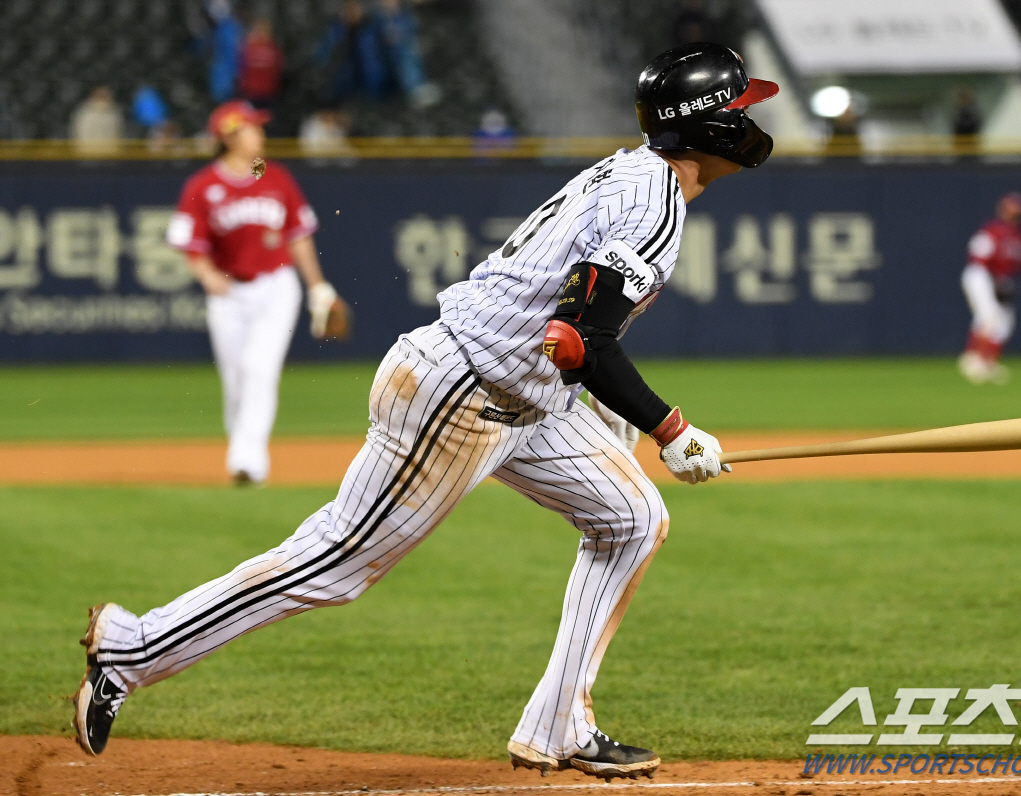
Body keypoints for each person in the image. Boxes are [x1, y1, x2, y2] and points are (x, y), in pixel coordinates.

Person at [73, 43, 778, 782]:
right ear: (706, 126)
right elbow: (574, 336)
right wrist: (670, 428)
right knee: (335, 561)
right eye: (738, 105)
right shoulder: (653, 201)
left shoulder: (635, 174)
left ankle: (559, 725)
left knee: (631, 519)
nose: (748, 116)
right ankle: (132, 648)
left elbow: (561, 326)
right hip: (462, 391)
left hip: (520, 394)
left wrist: (612, 417)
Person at [164, 100, 344, 483]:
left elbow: (299, 237)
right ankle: (243, 450)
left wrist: (317, 285)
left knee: (258, 370)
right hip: (228, 294)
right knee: (236, 381)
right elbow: (188, 243)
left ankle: (248, 463)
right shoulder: (204, 185)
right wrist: (207, 275)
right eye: (251, 128)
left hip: (277, 288)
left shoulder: (274, 177)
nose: (259, 134)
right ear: (228, 137)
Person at [958, 192, 1021, 385]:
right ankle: (974, 361)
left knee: (1004, 322)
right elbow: (978, 259)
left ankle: (987, 362)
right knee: (988, 315)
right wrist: (994, 282)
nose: (1014, 214)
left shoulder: (1020, 235)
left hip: (1001, 278)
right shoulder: (993, 230)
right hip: (981, 275)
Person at [239, 17, 284, 108]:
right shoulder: (272, 48)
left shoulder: (250, 47)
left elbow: (242, 69)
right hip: (260, 92)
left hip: (260, 92)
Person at [71, 86, 123, 155]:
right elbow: (79, 135)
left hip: (108, 156)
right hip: (90, 155)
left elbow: (118, 135)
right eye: (101, 96)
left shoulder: (114, 114)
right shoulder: (85, 114)